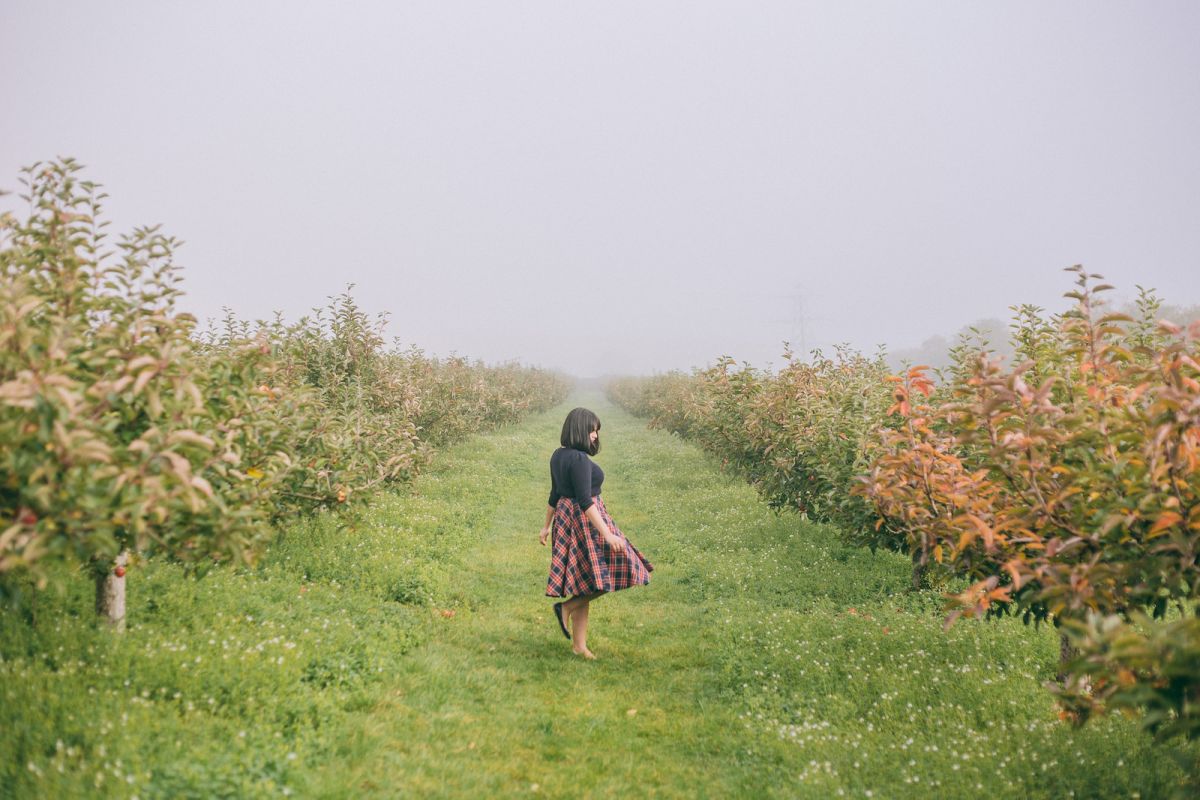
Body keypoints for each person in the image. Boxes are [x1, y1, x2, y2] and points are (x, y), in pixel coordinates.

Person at [539, 407, 652, 659]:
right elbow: (585, 501)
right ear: (580, 429)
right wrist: (608, 534)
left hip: (565, 520)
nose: (595, 436)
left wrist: (546, 525)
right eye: (592, 430)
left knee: (585, 581)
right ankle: (565, 608)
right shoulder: (578, 459)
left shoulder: (558, 455)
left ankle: (579, 645)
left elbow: (554, 495)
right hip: (585, 522)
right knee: (613, 571)